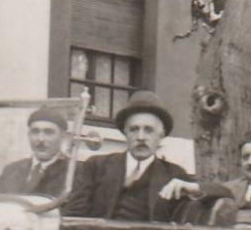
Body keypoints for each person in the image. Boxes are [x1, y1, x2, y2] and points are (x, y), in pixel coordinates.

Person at [65, 91, 227, 220]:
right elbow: (73, 216)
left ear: (161, 135)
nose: (141, 137)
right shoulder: (96, 166)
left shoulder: (173, 174)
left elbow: (225, 192)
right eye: (134, 129)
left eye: (148, 130)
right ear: (125, 133)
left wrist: (194, 187)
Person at [0, 105, 71, 195]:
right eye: (35, 132)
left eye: (48, 132)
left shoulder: (73, 173)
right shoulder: (11, 170)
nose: (40, 139)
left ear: (62, 136)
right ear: (28, 135)